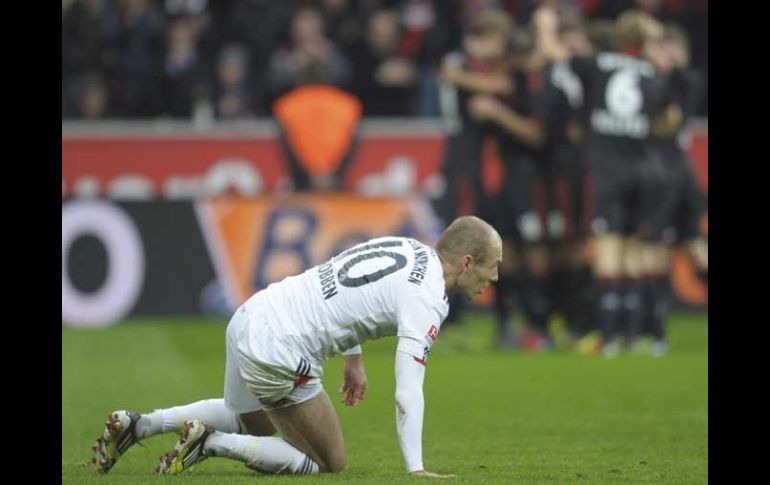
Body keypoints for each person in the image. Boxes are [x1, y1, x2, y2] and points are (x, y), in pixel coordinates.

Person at [91, 216, 502, 478]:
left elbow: (347, 286)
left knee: (249, 418)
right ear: (466, 262)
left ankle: (139, 424)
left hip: (252, 316)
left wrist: (353, 359)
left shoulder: (407, 247)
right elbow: (408, 388)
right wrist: (416, 468)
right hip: (282, 350)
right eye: (491, 265)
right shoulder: (427, 296)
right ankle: (210, 443)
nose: (495, 277)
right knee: (328, 462)